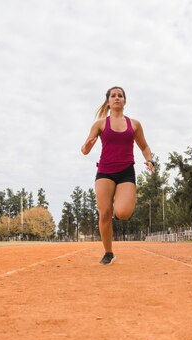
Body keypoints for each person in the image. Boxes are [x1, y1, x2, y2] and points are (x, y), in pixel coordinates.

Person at [81, 86, 155, 265]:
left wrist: (149, 160)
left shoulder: (134, 124)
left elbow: (144, 147)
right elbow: (84, 150)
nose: (116, 98)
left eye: (120, 96)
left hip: (126, 172)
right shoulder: (99, 124)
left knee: (122, 212)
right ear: (108, 101)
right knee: (104, 212)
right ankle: (108, 252)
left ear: (124, 101)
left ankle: (119, 206)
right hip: (105, 171)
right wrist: (89, 145)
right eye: (113, 96)